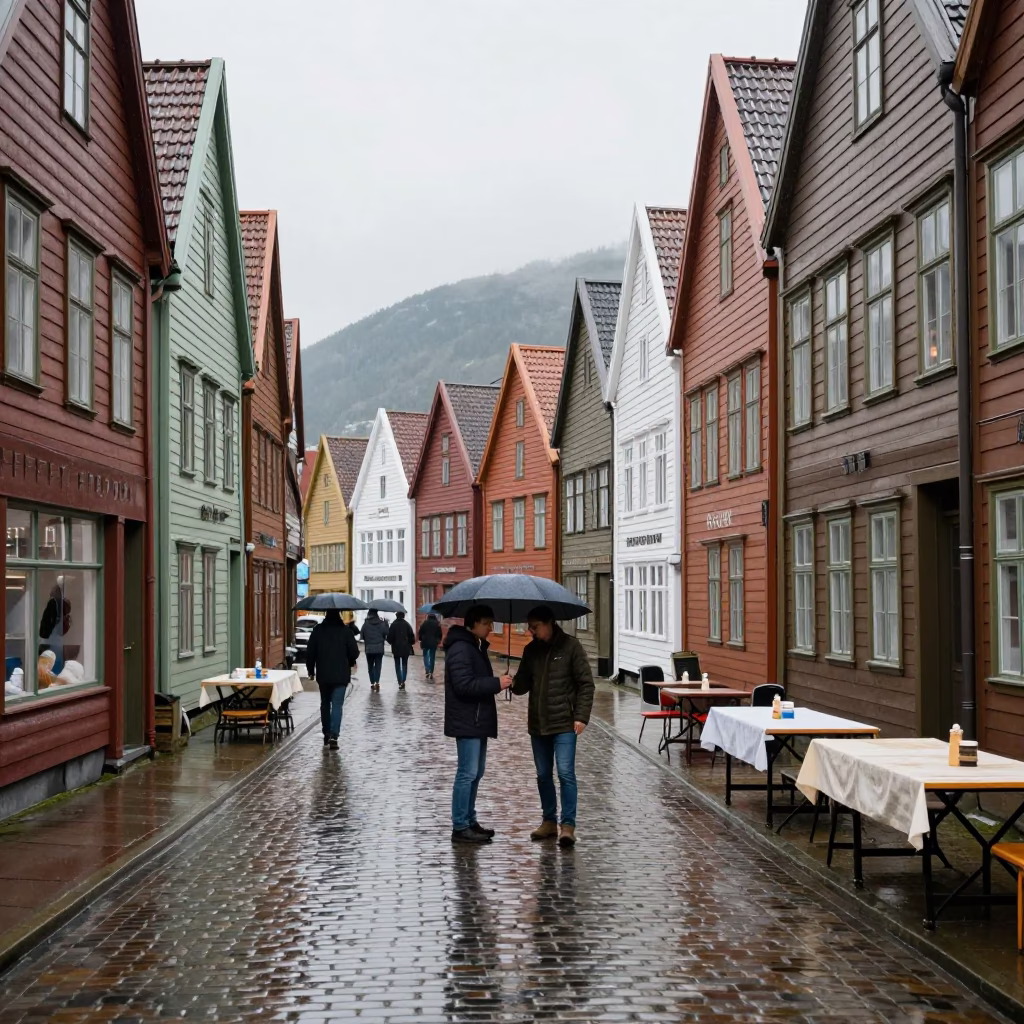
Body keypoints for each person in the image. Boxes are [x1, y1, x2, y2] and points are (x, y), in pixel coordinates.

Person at [512, 605, 595, 847]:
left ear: (549, 623)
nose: (531, 632)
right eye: (530, 627)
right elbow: (522, 686)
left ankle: (567, 826)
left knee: (566, 773)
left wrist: (581, 717)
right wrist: (513, 682)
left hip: (565, 723)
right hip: (538, 723)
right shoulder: (531, 651)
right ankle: (549, 821)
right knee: (542, 775)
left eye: (535, 627)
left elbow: (586, 685)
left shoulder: (571, 647)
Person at [443, 604, 513, 844]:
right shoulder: (462, 649)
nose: (490, 627)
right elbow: (463, 685)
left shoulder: (475, 647)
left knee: (476, 773)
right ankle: (460, 826)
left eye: (491, 623)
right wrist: (496, 683)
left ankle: (470, 820)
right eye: (486, 623)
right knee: (467, 773)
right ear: (473, 624)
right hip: (467, 719)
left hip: (476, 718)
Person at [305, 609, 360, 750]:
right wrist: (350, 660)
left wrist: (311, 670)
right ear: (339, 615)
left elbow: (310, 652)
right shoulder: (346, 631)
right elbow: (354, 652)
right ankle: (334, 735)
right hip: (341, 674)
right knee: (337, 705)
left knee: (325, 704)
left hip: (323, 674)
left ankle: (326, 733)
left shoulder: (318, 631)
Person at [360, 608, 389, 691]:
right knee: (378, 666)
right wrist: (386, 623)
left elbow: (362, 636)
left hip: (369, 648)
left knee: (370, 666)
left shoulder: (366, 624)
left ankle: (372, 682)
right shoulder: (382, 623)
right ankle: (377, 681)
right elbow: (387, 633)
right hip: (379, 648)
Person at [387, 611, 416, 690]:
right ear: (403, 616)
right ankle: (403, 680)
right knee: (404, 664)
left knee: (397, 665)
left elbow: (389, 638)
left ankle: (400, 681)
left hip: (396, 648)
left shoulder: (393, 625)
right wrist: (409, 642)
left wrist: (392, 642)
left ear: (396, 616)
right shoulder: (407, 625)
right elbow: (412, 637)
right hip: (405, 648)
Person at [418, 613, 442, 681]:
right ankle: (431, 671)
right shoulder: (437, 624)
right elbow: (440, 634)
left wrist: (420, 639)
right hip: (433, 642)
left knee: (425, 656)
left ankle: (427, 669)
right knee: (432, 657)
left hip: (425, 641)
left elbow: (420, 632)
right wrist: (438, 640)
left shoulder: (425, 623)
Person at [342, 611, 360, 676]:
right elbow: (354, 652)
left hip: (325, 674)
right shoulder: (348, 631)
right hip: (343, 670)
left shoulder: (319, 630)